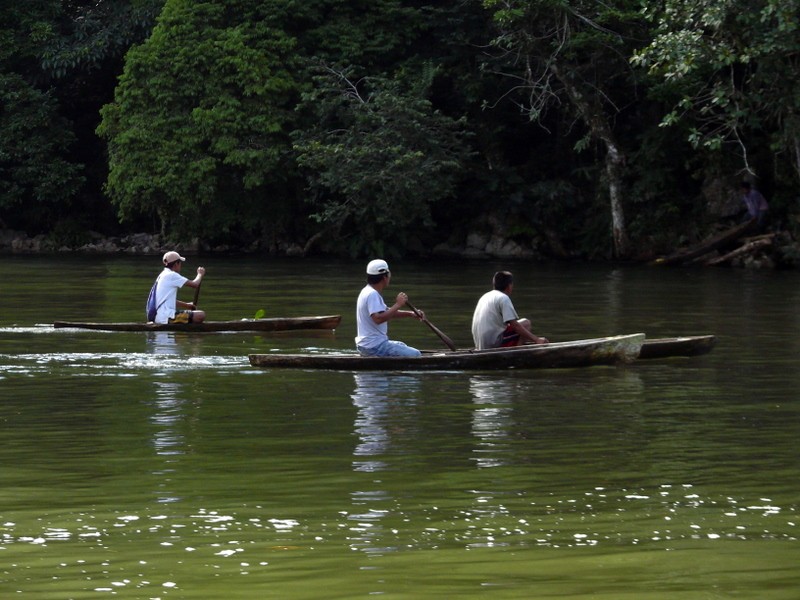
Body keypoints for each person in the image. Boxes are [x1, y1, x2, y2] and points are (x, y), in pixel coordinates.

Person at [355, 259, 423, 357]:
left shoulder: (367, 291)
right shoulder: (372, 294)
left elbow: (387, 312)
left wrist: (411, 314)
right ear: (384, 277)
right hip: (374, 347)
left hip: (368, 345)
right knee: (416, 354)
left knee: (401, 345)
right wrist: (398, 304)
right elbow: (378, 318)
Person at [471, 270, 548, 350]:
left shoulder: (485, 296)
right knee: (526, 324)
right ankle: (516, 354)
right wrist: (537, 339)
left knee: (513, 326)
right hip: (493, 344)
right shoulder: (503, 298)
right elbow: (515, 326)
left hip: (480, 345)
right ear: (509, 286)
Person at [153, 251, 206, 324]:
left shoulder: (162, 275)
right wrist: (200, 274)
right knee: (200, 315)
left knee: (195, 315)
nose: (181, 265)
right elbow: (195, 284)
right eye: (180, 263)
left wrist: (187, 305)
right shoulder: (171, 275)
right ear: (176, 264)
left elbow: (169, 300)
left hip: (161, 316)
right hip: (167, 317)